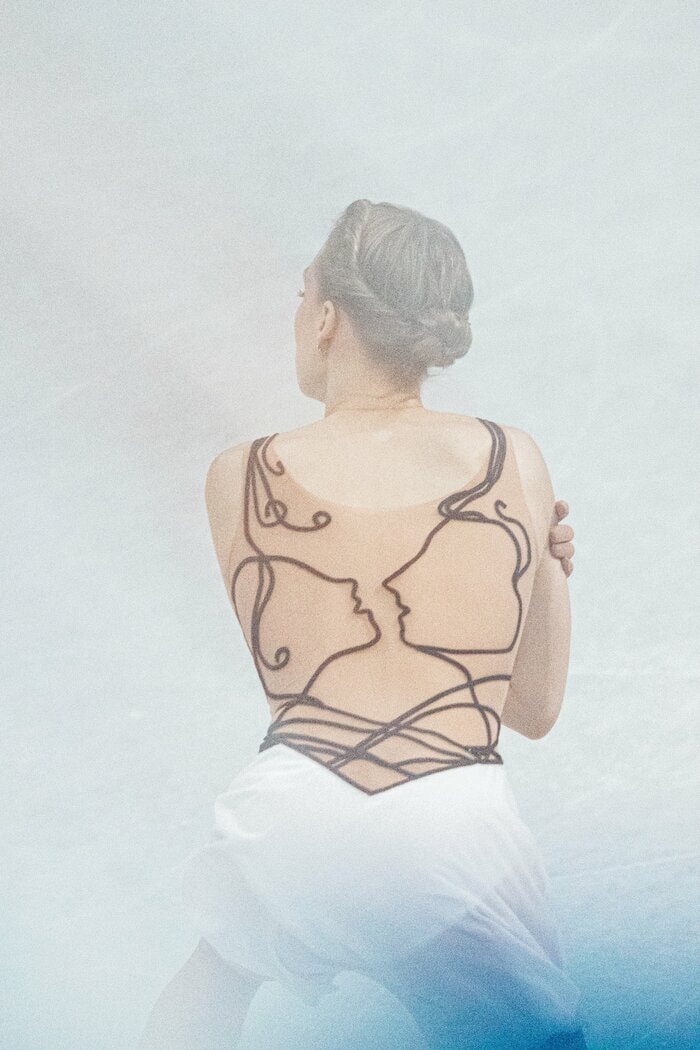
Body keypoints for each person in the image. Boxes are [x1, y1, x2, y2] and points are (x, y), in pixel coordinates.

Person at [138, 200, 584, 1050]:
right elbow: (532, 710)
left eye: (302, 295)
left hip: (294, 807)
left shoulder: (240, 474)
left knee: (206, 993)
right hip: (447, 820)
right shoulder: (511, 458)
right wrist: (549, 570)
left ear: (329, 317)